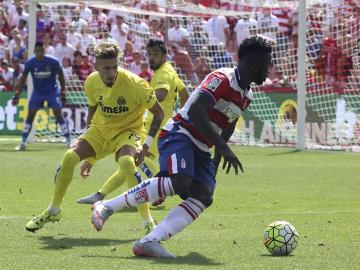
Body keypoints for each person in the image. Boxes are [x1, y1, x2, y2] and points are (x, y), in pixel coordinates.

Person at [90, 35, 273, 257]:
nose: (269, 69)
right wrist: (223, 149)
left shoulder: (247, 96)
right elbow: (196, 110)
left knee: (204, 195)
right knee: (181, 181)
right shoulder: (222, 78)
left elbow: (227, 128)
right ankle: (106, 206)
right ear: (255, 63)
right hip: (181, 133)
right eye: (267, 64)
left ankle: (150, 240)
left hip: (202, 147)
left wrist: (214, 164)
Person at [25, 41, 164, 233]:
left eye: (114, 67)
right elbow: (92, 113)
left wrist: (146, 146)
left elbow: (159, 113)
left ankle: (148, 222)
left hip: (128, 131)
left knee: (127, 163)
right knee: (69, 158)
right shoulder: (91, 82)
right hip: (100, 130)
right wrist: (90, 157)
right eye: (106, 68)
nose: (111, 73)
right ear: (96, 66)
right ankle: (53, 210)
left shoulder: (136, 84)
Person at [76, 39, 189, 207]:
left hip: (156, 126)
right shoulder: (169, 69)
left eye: (156, 54)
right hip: (163, 124)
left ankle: (160, 191)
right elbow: (185, 92)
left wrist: (138, 102)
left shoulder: (163, 74)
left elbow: (162, 94)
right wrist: (185, 115)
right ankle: (101, 194)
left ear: (165, 56)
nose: (151, 58)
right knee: (128, 162)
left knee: (137, 160)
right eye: (149, 54)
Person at [12, 41, 71, 151]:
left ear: (44, 51)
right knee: (30, 115)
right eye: (37, 51)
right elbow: (23, 79)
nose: (40, 53)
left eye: (41, 50)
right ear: (34, 51)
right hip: (37, 93)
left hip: (52, 92)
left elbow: (61, 75)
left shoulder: (53, 61)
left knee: (58, 114)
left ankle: (69, 141)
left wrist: (63, 90)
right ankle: (23, 143)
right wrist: (17, 93)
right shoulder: (30, 63)